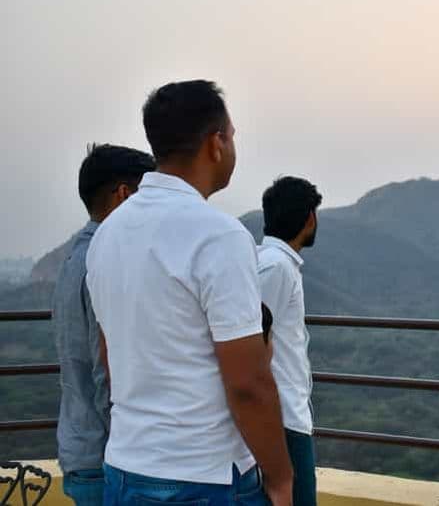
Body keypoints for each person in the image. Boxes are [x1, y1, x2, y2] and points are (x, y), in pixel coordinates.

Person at [86, 80, 293, 506]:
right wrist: (281, 478)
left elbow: (109, 355)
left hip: (125, 469)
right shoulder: (218, 236)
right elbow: (248, 382)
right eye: (232, 135)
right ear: (216, 143)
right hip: (203, 476)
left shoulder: (107, 236)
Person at [55, 144, 155, 506]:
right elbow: (106, 373)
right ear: (124, 194)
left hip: (80, 448)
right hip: (107, 458)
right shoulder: (103, 262)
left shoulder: (73, 259)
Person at [257, 177, 322, 506]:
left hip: (285, 416)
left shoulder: (274, 263)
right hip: (282, 420)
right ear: (309, 218)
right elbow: (254, 345)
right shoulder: (275, 267)